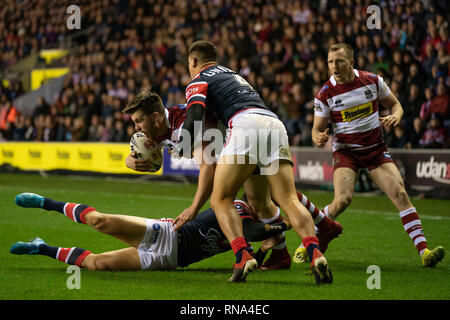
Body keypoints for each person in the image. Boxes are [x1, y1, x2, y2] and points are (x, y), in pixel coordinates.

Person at [175, 40, 334, 283]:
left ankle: (242, 255)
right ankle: (315, 252)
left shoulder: (199, 79)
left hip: (244, 125)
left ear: (194, 61)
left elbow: (195, 114)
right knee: (287, 198)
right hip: (273, 123)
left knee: (220, 199)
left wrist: (183, 145)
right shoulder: (232, 74)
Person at [308, 43, 444, 267]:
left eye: (339, 61)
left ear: (351, 63)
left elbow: (396, 105)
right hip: (347, 152)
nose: (334, 66)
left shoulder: (373, 81)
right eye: (331, 61)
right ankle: (310, 240)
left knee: (400, 194)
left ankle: (424, 252)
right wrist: (318, 137)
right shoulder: (325, 94)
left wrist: (396, 116)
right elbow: (315, 130)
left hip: (375, 150)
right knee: (342, 200)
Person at [10, 193, 291, 277]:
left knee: (96, 264)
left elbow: (253, 245)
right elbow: (254, 230)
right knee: (100, 222)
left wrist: (269, 243)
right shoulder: (237, 207)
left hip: (168, 261)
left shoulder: (246, 232)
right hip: (167, 236)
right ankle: (47, 203)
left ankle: (41, 247)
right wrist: (283, 226)